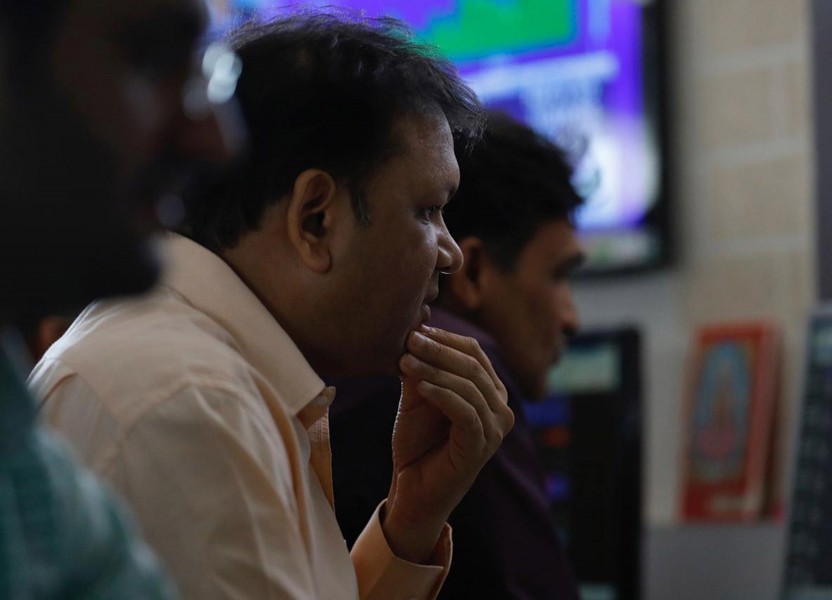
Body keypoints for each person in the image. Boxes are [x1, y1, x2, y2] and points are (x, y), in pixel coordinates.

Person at [29, 13, 514, 600]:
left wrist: (410, 520)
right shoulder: (192, 400)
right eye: (428, 210)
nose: (452, 255)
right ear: (316, 220)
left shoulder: (210, 375)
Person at [0, 0, 237, 596]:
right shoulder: (182, 390)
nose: (217, 139)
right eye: (152, 56)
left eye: (205, 69)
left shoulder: (19, 445)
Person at [329, 111, 586, 599]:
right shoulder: (463, 380)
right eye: (559, 275)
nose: (571, 317)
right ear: (472, 272)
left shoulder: (341, 360)